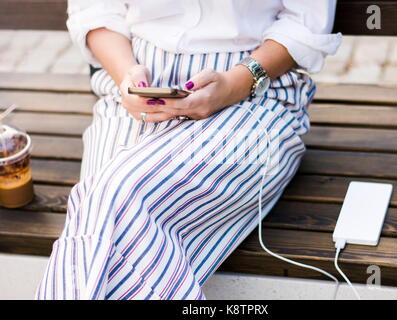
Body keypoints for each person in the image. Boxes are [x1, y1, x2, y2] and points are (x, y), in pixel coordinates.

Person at [36, 0, 342, 300]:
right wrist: (126, 76)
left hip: (252, 92)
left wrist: (233, 84)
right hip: (136, 90)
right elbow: (96, 9)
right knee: (101, 204)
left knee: (112, 196)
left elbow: (304, 22)